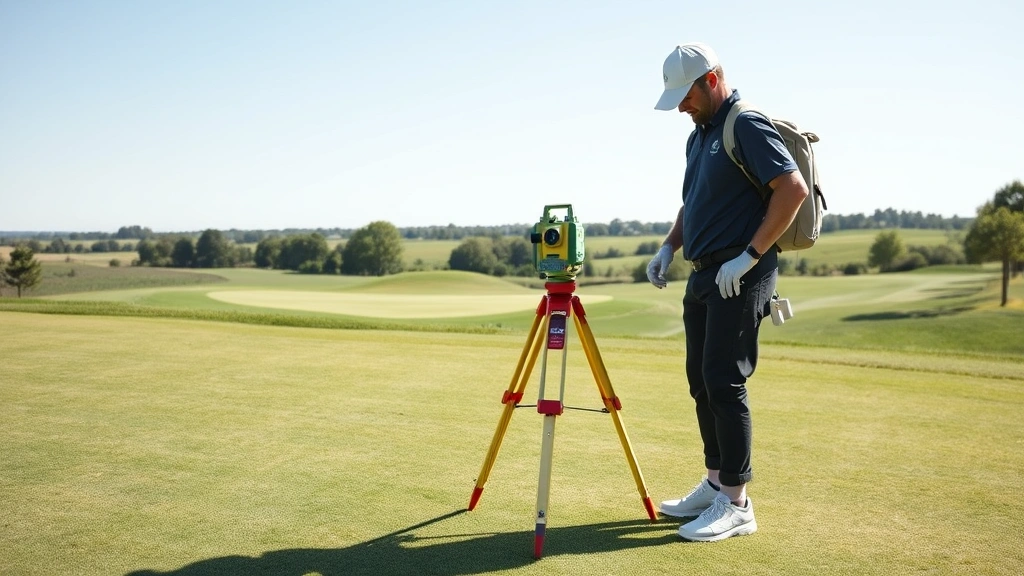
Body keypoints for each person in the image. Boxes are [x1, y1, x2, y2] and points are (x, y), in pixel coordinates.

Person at [646, 42, 809, 542]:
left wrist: (750, 255)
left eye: (686, 95)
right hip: (704, 273)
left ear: (711, 79)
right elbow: (692, 203)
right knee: (700, 376)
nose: (680, 106)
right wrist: (669, 246)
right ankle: (717, 481)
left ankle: (737, 503)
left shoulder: (746, 123)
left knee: (724, 377)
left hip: (741, 271)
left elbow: (792, 189)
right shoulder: (699, 135)